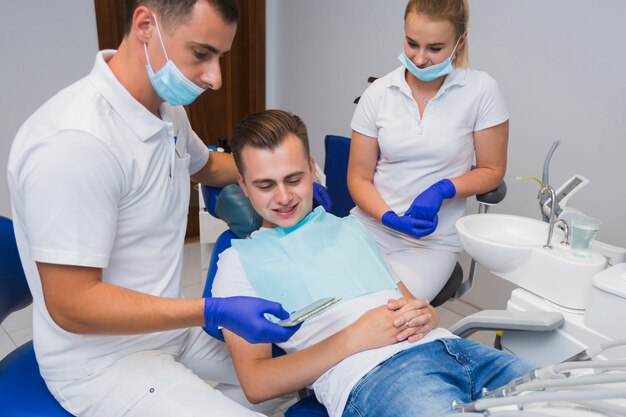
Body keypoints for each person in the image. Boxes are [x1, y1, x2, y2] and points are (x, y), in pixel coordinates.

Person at [7, 1, 303, 416]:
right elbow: (71, 306)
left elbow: (210, 166)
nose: (215, 78)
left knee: (304, 375)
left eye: (221, 57)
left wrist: (298, 176)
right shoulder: (76, 145)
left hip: (166, 332)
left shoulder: (166, 111)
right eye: (201, 54)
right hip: (103, 362)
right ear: (146, 24)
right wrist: (212, 309)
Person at [212, 109, 533, 417]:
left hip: (455, 350)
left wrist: (427, 314)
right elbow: (256, 383)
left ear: (312, 169)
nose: (283, 197)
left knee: (558, 398)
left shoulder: (352, 229)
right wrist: (354, 337)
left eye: (293, 179)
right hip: (377, 377)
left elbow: (412, 305)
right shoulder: (238, 262)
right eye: (265, 185)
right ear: (243, 184)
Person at [347, 0, 509, 300]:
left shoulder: (481, 91)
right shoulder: (379, 93)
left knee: (383, 317)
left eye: (435, 48)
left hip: (430, 244)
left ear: (461, 40)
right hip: (369, 228)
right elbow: (358, 178)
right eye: (412, 44)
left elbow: (492, 171)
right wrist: (388, 217)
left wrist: (444, 188)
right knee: (321, 301)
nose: (420, 59)